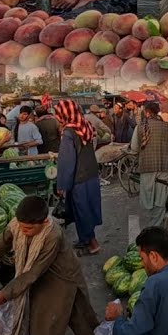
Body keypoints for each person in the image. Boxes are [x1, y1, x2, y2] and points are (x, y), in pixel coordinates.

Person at [0, 195, 99, 335]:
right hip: (40, 279)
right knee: (39, 332)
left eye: (28, 229)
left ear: (44, 222)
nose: (23, 232)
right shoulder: (17, 225)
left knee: (83, 329)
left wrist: (4, 294)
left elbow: (33, 272)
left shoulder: (52, 236)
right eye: (21, 227)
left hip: (61, 282)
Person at [55, 100, 103, 255]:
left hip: (79, 177)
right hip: (91, 174)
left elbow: (66, 161)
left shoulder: (68, 132)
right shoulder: (85, 125)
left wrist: (62, 184)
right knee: (88, 208)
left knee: (81, 211)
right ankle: (84, 240)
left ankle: (92, 243)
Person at [132, 101, 168, 229]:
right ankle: (157, 227)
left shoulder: (139, 127)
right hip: (163, 168)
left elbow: (134, 148)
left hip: (146, 168)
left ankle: (153, 227)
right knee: (160, 199)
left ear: (146, 112)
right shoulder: (166, 126)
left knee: (148, 199)